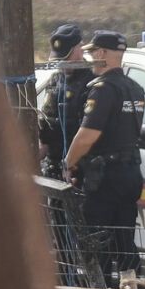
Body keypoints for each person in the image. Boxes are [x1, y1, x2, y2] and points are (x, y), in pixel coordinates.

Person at [62, 30, 145, 280]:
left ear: (101, 53)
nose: (89, 59)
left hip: (104, 180)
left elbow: (88, 136)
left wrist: (68, 163)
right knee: (125, 245)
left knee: (98, 249)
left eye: (91, 53)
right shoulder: (135, 89)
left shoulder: (103, 89)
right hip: (130, 174)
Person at [35, 22, 92, 176]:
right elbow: (47, 128)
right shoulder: (55, 80)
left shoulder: (94, 81)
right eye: (59, 58)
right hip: (54, 167)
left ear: (79, 49)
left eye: (66, 57)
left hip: (81, 171)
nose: (62, 63)